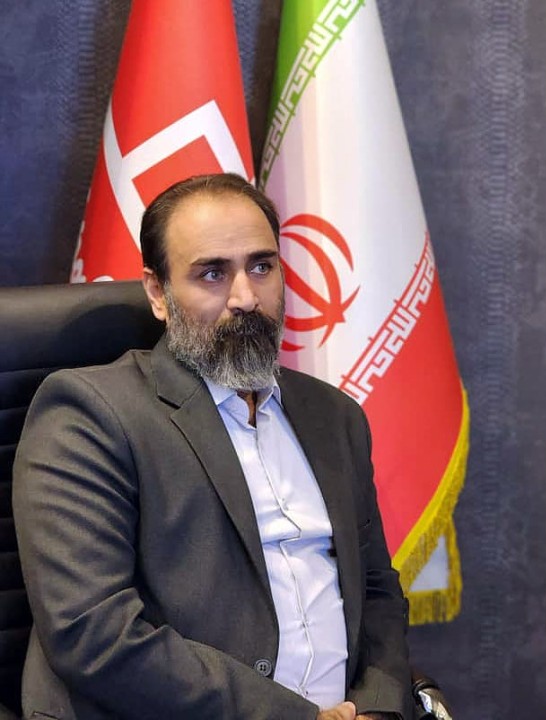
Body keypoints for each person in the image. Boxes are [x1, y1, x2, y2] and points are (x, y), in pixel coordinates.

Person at [13, 173, 414, 720]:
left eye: (261, 266)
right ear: (158, 293)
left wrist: (379, 705)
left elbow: (376, 588)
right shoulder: (91, 415)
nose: (246, 298)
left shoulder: (334, 416)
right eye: (212, 274)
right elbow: (93, 631)